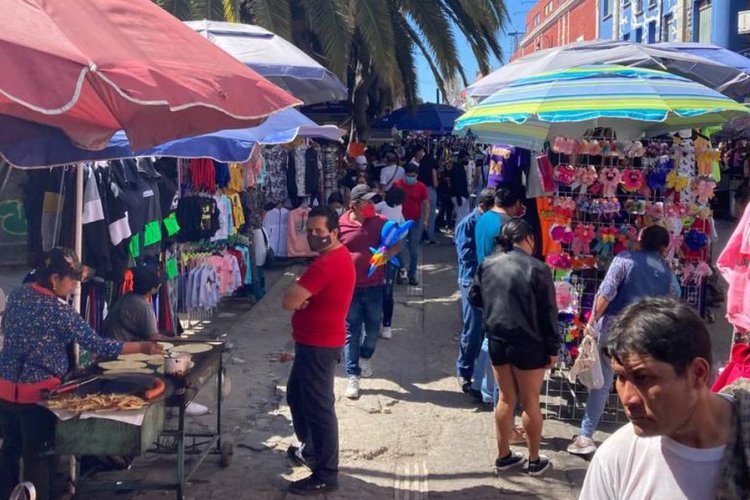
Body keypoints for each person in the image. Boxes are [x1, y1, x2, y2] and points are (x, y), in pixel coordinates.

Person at [0, 248, 162, 499]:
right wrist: (143, 347)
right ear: (54, 279)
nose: (75, 285)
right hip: (39, 398)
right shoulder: (60, 312)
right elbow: (99, 345)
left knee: (9, 452)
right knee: (39, 457)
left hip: (5, 392)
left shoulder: (18, 296)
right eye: (72, 279)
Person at [579, 297, 744, 499]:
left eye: (644, 378)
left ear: (697, 374)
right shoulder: (616, 459)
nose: (628, 398)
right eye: (621, 377)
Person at [568, 225, 677, 456]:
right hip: (644, 333)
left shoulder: (625, 259)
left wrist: (592, 321)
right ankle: (644, 441)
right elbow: (670, 303)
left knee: (602, 384)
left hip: (613, 329)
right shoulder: (666, 273)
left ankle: (586, 436)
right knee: (642, 385)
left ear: (640, 240)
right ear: (664, 248)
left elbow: (606, 293)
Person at [473, 220, 560, 476]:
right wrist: (553, 347)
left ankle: (504, 456)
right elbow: (548, 313)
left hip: (498, 340)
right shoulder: (538, 268)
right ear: (528, 238)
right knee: (531, 402)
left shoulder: (487, 264)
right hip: (530, 342)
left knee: (505, 398)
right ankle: (534, 460)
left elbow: (474, 296)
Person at [282, 207, 356, 495]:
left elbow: (289, 300)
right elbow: (296, 298)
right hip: (314, 343)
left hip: (319, 346)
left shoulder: (325, 265)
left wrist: (298, 291)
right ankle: (311, 450)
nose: (313, 236)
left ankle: (326, 473)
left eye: (319, 231)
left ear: (334, 232)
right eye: (309, 231)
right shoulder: (332, 258)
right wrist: (301, 293)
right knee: (297, 396)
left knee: (319, 409)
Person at [339, 185, 400, 399]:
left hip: (374, 285)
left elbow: (397, 243)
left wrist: (386, 255)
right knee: (351, 330)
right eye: (367, 202)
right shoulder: (340, 225)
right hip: (350, 287)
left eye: (373, 201)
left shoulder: (381, 222)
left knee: (373, 328)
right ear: (354, 204)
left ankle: (366, 356)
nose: (371, 205)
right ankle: (352, 375)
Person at [471, 184, 526, 405]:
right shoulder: (509, 225)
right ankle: (486, 389)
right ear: (516, 204)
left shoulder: (483, 218)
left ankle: (478, 383)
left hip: (484, 279)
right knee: (496, 338)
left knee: (489, 334)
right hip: (501, 284)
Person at [454, 188, 495, 391]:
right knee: (472, 329)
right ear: (483, 206)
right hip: (471, 282)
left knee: (485, 330)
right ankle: (464, 371)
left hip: (487, 280)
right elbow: (465, 255)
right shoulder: (468, 224)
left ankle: (480, 374)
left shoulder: (489, 223)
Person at [103, 266, 173, 342]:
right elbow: (153, 337)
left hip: (113, 342)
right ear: (153, 289)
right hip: (124, 348)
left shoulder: (126, 296)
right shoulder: (144, 306)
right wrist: (174, 339)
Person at [376, 187, 406, 340]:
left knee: (387, 291)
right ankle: (378, 323)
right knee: (379, 291)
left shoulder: (398, 208)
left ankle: (386, 325)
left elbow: (403, 227)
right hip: (377, 253)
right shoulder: (380, 207)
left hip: (390, 254)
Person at [393, 163, 429, 287]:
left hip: (415, 221)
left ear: (416, 176)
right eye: (408, 176)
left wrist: (425, 220)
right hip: (400, 222)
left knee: (413, 249)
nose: (410, 178)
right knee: (399, 248)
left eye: (413, 176)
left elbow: (425, 203)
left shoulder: (421, 187)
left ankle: (412, 274)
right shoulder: (397, 185)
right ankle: (401, 270)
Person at [417, 148, 439, 245]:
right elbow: (435, 183)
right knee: (431, 215)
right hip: (430, 190)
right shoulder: (432, 166)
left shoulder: (420, 166)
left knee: (421, 214)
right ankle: (430, 237)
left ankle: (418, 237)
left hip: (421, 190)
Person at [450, 153, 471, 227]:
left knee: (463, 216)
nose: (467, 160)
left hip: (462, 195)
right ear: (461, 158)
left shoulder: (460, 167)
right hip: (459, 195)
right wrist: (459, 197)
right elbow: (457, 183)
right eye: (466, 158)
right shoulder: (457, 168)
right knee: (461, 217)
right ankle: (457, 236)